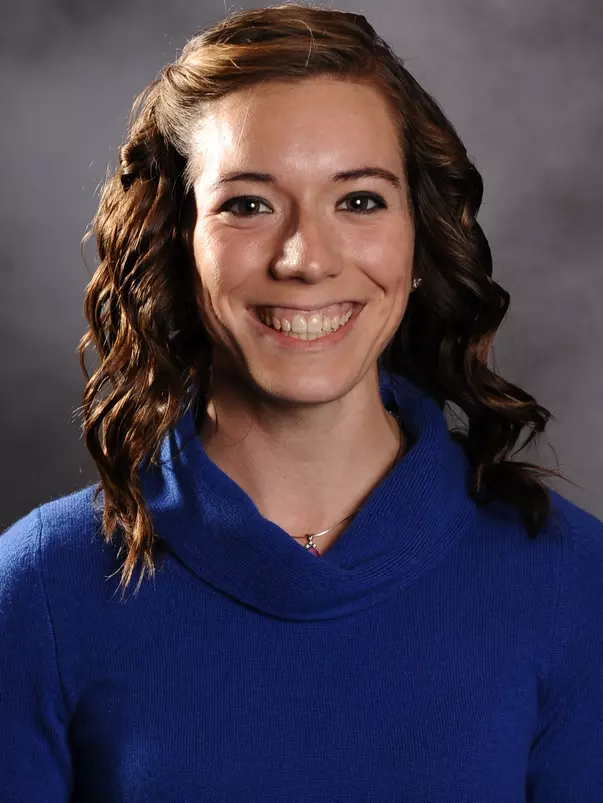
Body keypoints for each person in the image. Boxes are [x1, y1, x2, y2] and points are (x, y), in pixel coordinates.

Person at [1, 3, 602, 801]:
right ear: (176, 240)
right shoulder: (40, 588)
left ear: (419, 241)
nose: (304, 258)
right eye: (247, 204)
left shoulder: (573, 580)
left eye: (359, 200)